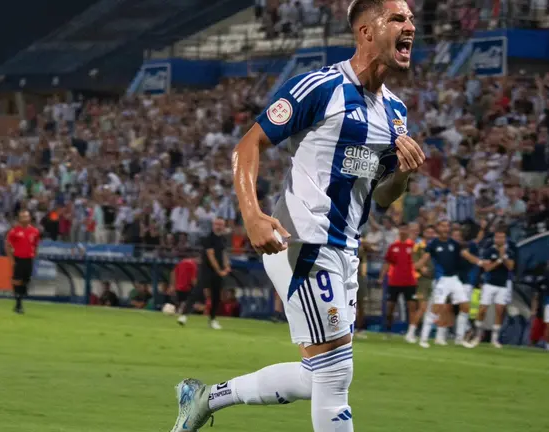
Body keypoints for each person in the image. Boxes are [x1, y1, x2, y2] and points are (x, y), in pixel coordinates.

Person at [168, 1, 422, 431]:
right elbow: (247, 146)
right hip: (303, 242)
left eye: (411, 18)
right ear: (365, 31)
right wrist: (252, 216)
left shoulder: (395, 114)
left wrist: (403, 177)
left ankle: (206, 399)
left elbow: (381, 196)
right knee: (337, 374)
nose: (410, 26)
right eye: (398, 18)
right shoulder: (319, 88)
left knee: (318, 374)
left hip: (346, 252)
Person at [414, 219, 482, 347]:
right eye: (443, 226)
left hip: (454, 279)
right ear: (438, 228)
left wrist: (480, 262)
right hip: (441, 280)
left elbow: (465, 254)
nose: (446, 229)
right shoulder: (433, 243)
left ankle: (460, 339)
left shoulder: (454, 244)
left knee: (465, 306)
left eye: (447, 226)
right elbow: (424, 259)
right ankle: (423, 338)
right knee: (436, 309)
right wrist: (415, 266)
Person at [464, 229, 514, 349]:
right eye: (497, 237)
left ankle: (494, 339)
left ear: (505, 238)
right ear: (494, 238)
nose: (499, 240)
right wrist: (499, 260)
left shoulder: (510, 251)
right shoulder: (489, 251)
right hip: (489, 284)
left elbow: (511, 266)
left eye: (502, 237)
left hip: (503, 285)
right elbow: (487, 268)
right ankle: (477, 336)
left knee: (499, 311)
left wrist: (503, 257)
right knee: (482, 310)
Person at [379, 222, 417, 337]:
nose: (403, 231)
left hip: (410, 281)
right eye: (401, 229)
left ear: (408, 231)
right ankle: (388, 330)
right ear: (399, 231)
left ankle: (411, 332)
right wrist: (381, 277)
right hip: (394, 281)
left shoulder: (414, 246)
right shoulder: (393, 246)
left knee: (411, 307)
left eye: (405, 229)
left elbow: (417, 262)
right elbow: (387, 263)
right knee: (390, 307)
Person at [196, 218, 230, 330]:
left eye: (221, 224)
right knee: (203, 292)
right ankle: (184, 313)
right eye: (217, 224)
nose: (219, 226)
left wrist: (226, 266)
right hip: (208, 270)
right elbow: (211, 256)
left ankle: (212, 319)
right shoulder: (208, 238)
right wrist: (219, 270)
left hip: (218, 272)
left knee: (216, 296)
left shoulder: (223, 239)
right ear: (213, 225)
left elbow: (224, 253)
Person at [5, 210, 40, 314]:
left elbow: (36, 244)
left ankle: (19, 299)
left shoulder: (35, 231)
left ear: (29, 218)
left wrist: (35, 255)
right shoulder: (14, 231)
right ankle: (18, 304)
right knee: (17, 280)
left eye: (26, 216)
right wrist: (11, 260)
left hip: (29, 259)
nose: (25, 218)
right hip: (18, 259)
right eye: (22, 217)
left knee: (26, 281)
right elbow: (7, 245)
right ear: (19, 219)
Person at [406, 224, 435, 343]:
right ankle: (411, 332)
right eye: (428, 232)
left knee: (432, 309)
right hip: (422, 281)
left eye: (432, 233)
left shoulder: (436, 245)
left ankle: (424, 334)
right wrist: (421, 268)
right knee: (422, 308)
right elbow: (415, 264)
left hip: (436, 279)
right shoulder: (418, 247)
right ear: (424, 234)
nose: (430, 235)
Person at [174, 256, 199, 326]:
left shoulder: (181, 262)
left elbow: (174, 272)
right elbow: (193, 279)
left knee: (180, 303)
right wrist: (198, 287)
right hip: (187, 287)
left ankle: (178, 313)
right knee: (189, 303)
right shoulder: (193, 265)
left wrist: (173, 285)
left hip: (178, 286)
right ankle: (183, 316)